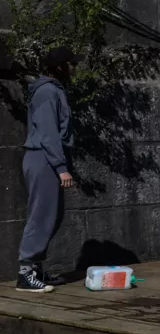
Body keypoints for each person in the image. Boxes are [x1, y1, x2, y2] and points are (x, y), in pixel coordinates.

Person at [16, 46, 80, 293]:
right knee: (41, 216)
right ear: (61, 67)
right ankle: (26, 273)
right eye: (71, 64)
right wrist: (61, 167)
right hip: (43, 159)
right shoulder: (47, 92)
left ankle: (35, 270)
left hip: (47, 159)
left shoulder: (52, 91)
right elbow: (48, 133)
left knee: (51, 216)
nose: (75, 68)